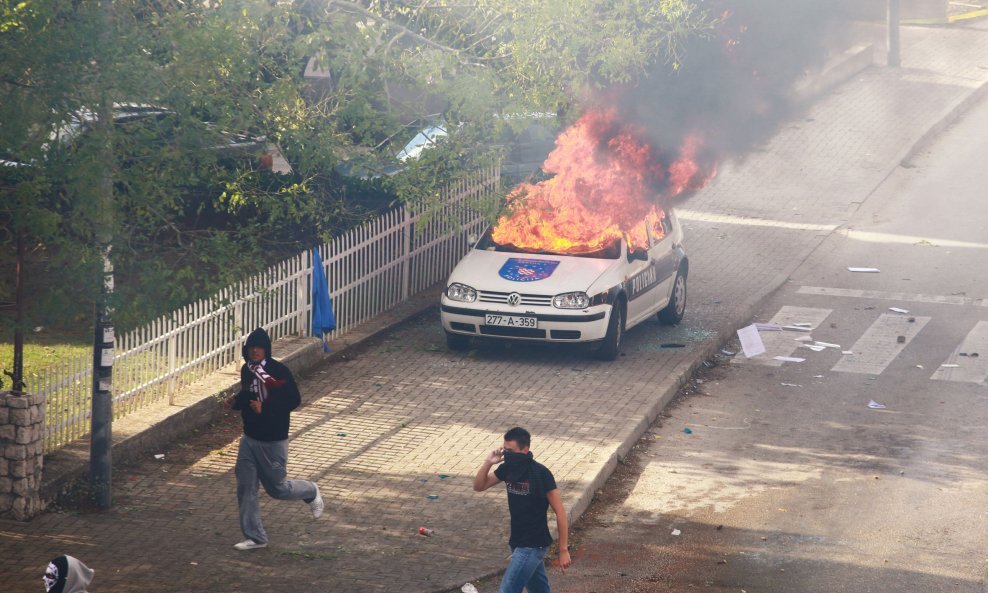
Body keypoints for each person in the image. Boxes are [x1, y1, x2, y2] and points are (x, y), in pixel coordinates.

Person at [224, 327, 324, 550]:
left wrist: (265, 407)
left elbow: (293, 400)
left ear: (267, 350)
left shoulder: (279, 372)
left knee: (277, 489)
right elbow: (247, 393)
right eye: (251, 348)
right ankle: (256, 537)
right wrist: (235, 403)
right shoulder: (247, 370)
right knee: (246, 487)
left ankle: (310, 491)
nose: (255, 351)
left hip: (273, 440)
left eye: (259, 348)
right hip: (250, 439)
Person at [473, 427, 572, 593]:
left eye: (510, 450)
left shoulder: (541, 473)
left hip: (533, 544)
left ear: (525, 450)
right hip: (517, 542)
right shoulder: (507, 468)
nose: (506, 454)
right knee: (539, 590)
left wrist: (563, 550)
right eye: (505, 449)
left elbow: (560, 512)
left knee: (507, 589)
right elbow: (479, 486)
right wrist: (488, 462)